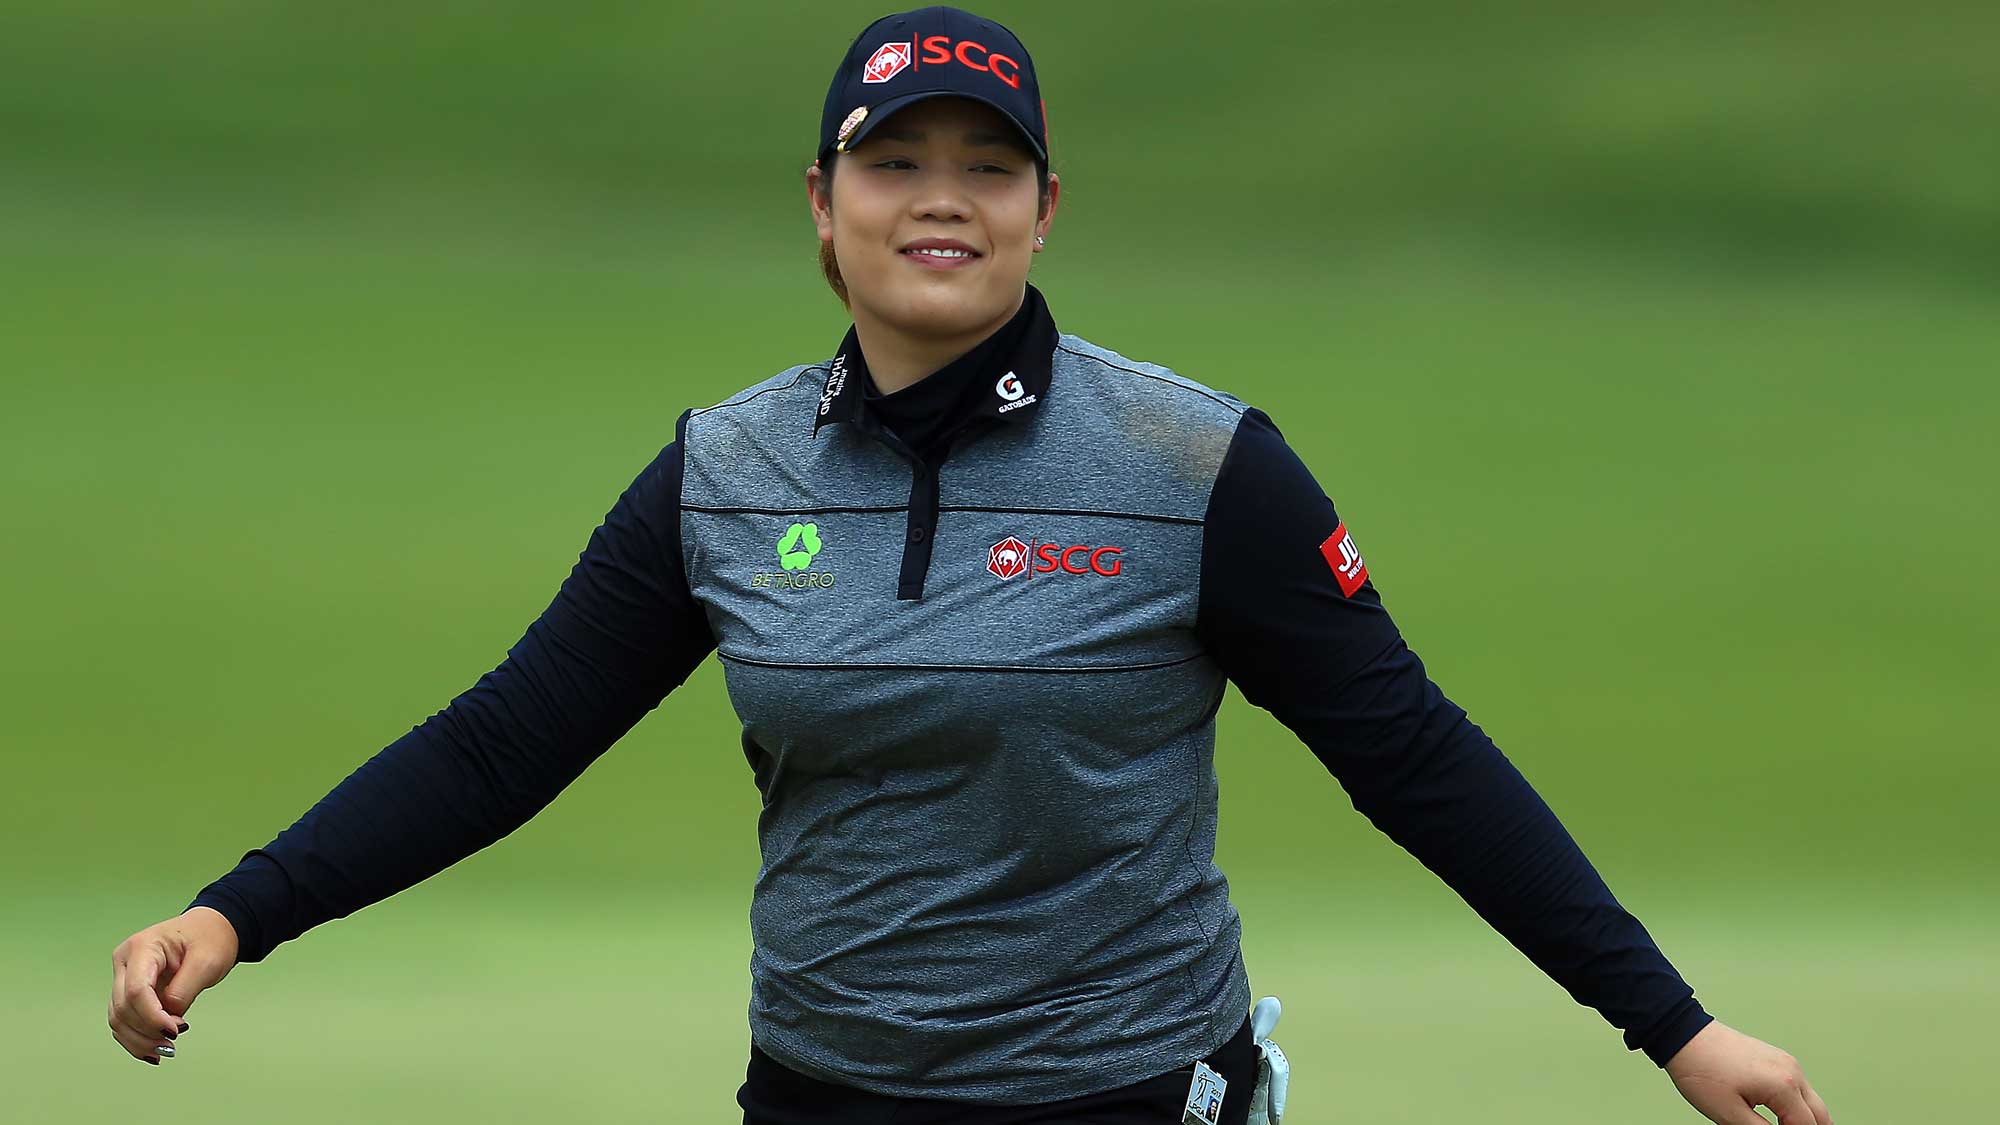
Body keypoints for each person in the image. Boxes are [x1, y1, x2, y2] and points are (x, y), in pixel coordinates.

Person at [107, 7, 1835, 1124]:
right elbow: (506, 739)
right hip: (822, 1093)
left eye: (986, 168)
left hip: (1128, 1092)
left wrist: (1672, 1028)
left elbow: (1415, 756)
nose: (944, 199)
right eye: (898, 162)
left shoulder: (1191, 464)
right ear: (822, 200)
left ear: (1046, 209)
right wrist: (237, 911)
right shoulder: (727, 470)